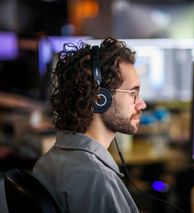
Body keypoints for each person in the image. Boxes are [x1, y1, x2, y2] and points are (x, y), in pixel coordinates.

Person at [32, 37, 147, 212]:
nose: (142, 104)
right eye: (133, 93)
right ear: (100, 99)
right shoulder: (98, 179)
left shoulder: (47, 162)